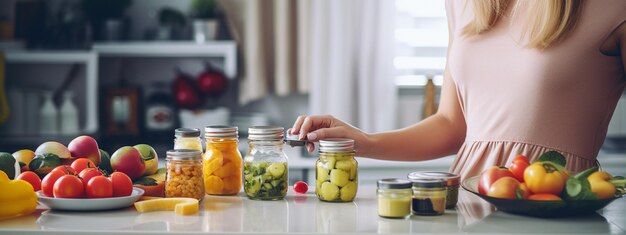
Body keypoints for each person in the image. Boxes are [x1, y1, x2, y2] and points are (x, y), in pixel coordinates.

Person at [288, 0, 626, 179]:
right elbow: (452, 125)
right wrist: (362, 141)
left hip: (560, 216)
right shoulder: (466, 3)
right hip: (465, 208)